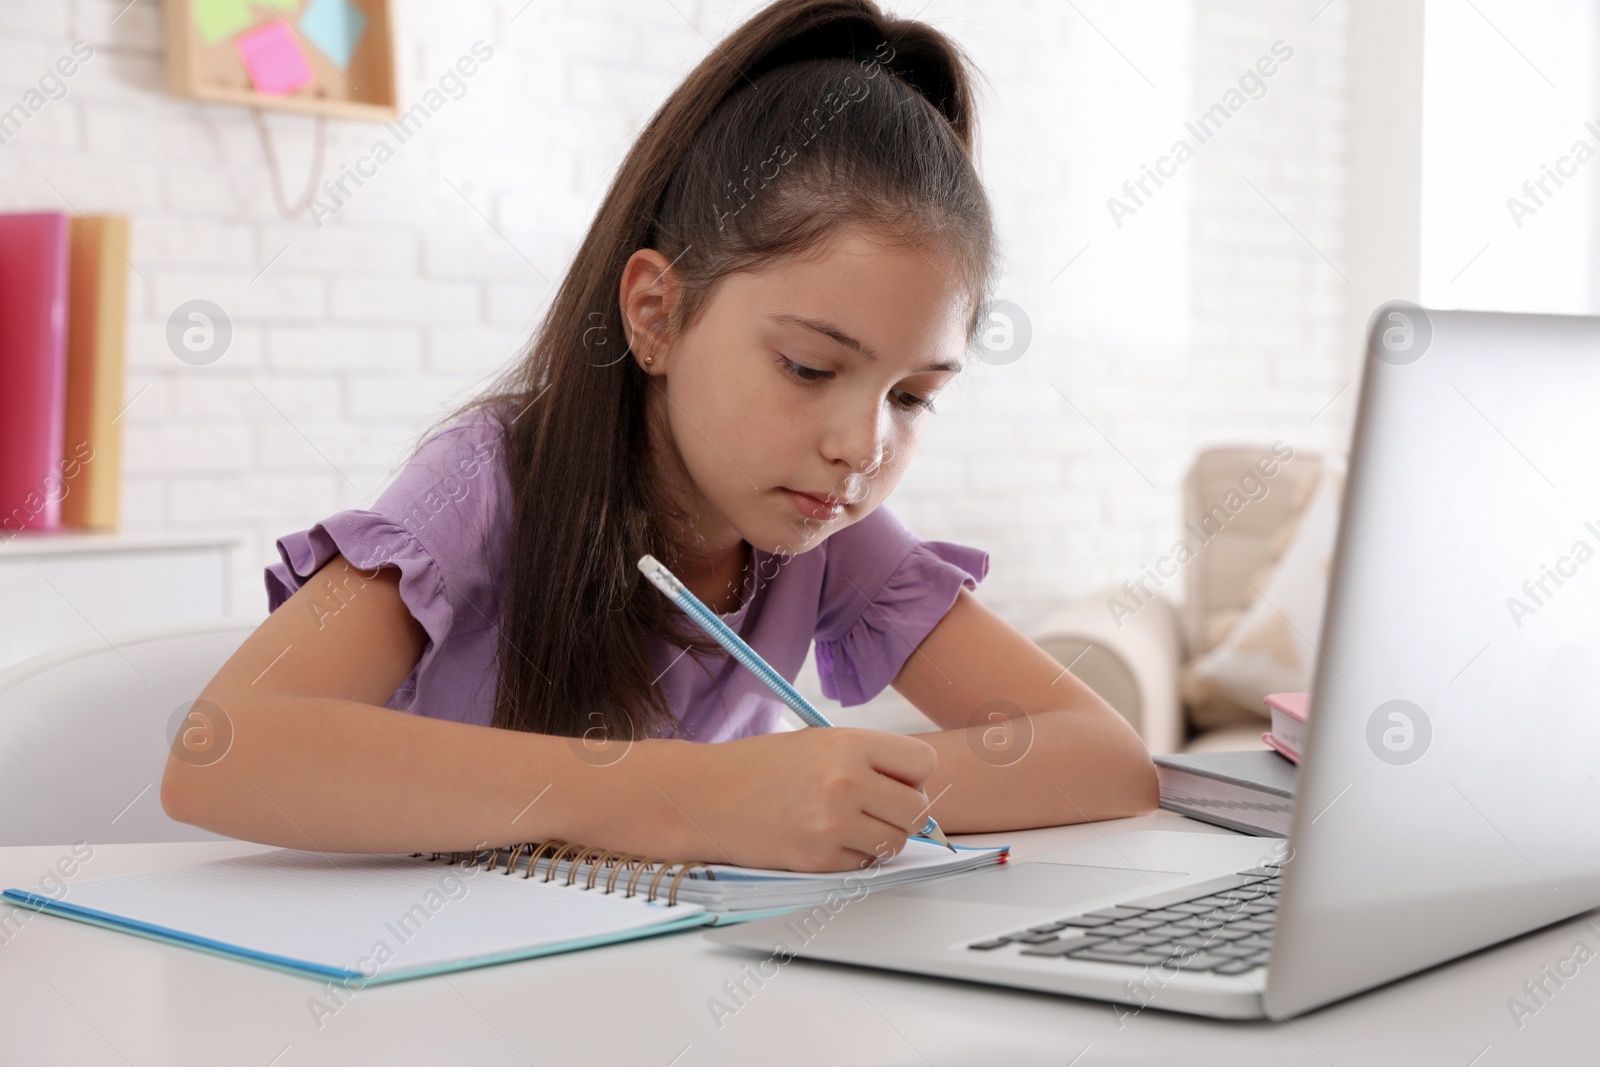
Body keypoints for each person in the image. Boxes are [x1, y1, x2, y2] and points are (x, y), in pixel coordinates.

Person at [161, 0, 1158, 873]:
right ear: (653, 313)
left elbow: (1105, 756)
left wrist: (835, 790)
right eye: (809, 368)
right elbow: (220, 750)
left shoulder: (825, 528)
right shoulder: (485, 483)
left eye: (912, 396)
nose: (860, 445)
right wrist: (698, 795)